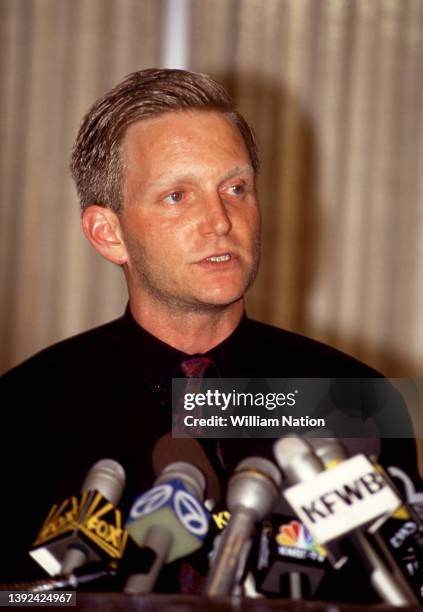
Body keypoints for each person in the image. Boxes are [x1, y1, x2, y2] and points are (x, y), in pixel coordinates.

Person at [0, 69, 420, 600]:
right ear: (109, 234)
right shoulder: (21, 410)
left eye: (236, 188)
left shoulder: (358, 400)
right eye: (178, 196)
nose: (220, 219)